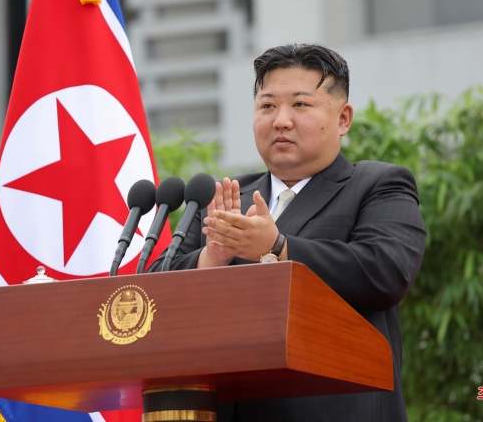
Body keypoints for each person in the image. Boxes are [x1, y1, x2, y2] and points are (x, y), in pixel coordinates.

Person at [148, 43, 426, 422]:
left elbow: (385, 271)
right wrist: (211, 258)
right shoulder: (224, 198)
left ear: (343, 119)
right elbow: (153, 295)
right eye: (267, 106)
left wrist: (278, 247)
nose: (280, 120)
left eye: (300, 104)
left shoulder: (377, 184)